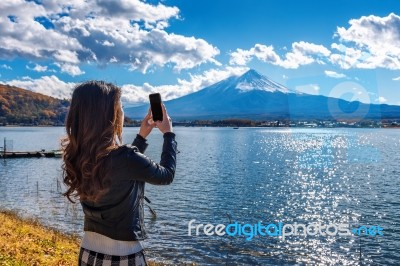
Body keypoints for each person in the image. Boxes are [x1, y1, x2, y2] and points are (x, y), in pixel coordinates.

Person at [61, 81, 177, 266]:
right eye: (120, 108)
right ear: (110, 115)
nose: (122, 113)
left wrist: (141, 137)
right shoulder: (124, 158)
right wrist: (168, 135)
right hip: (124, 256)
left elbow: (121, 170)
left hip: (89, 253)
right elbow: (166, 175)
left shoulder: (81, 155)